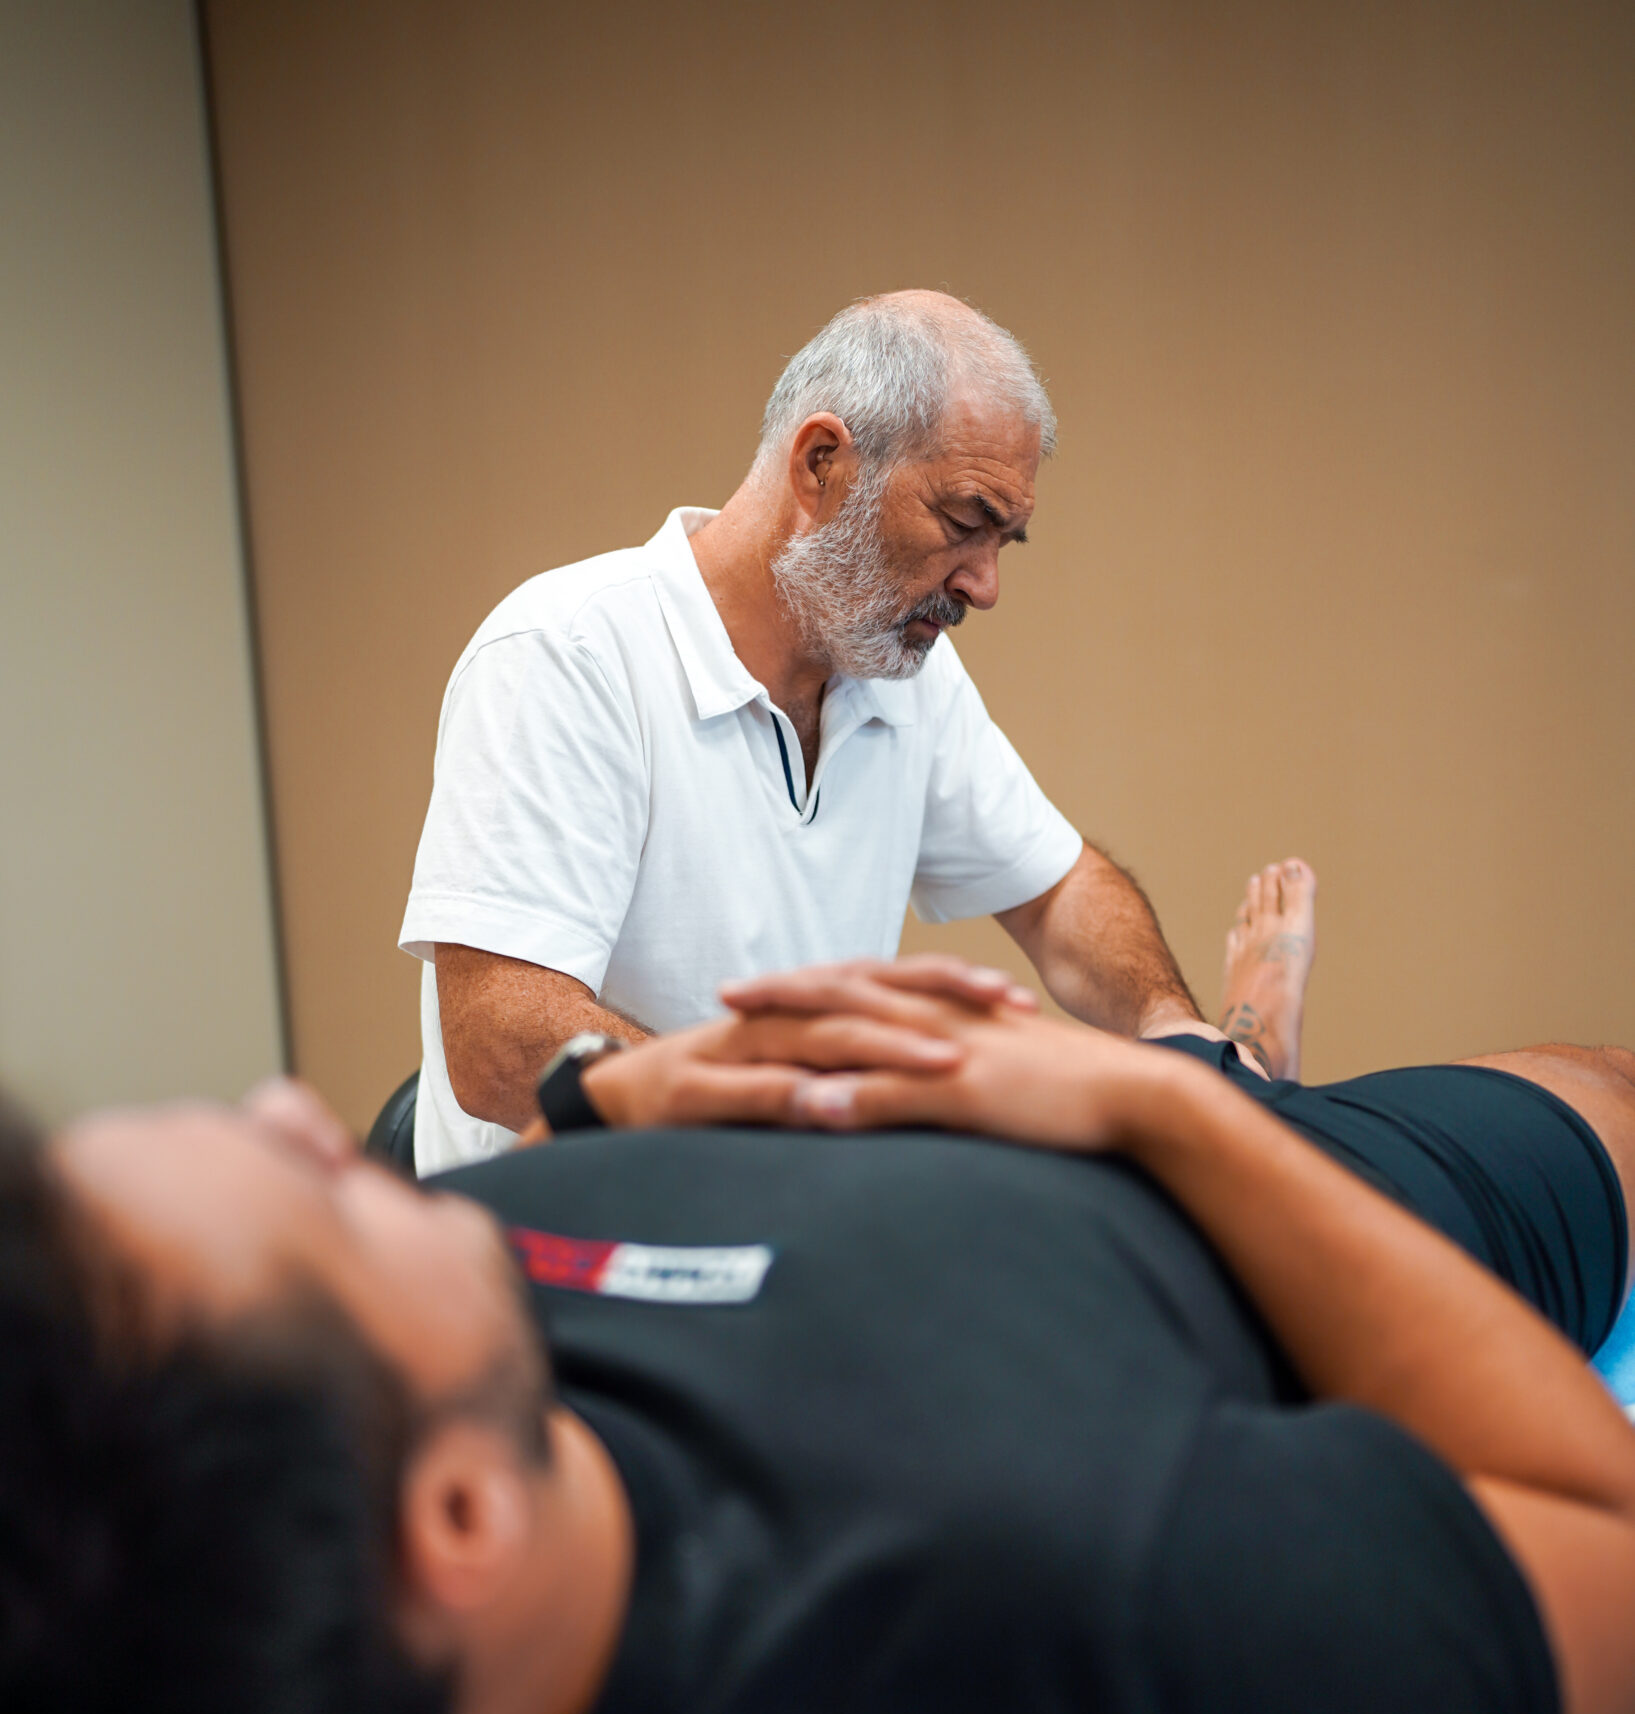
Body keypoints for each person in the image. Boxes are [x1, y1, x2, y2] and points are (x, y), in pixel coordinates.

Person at [0, 918, 1634, 1714]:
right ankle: (1235, 1055)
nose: (304, 1116)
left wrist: (619, 1100)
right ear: (453, 1522)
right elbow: (1590, 1518)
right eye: (323, 1202)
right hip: (1277, 1194)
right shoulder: (1122, 1635)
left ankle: (1228, 1035)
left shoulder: (367, 1432)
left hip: (926, 1119)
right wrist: (1164, 1111)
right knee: (1602, 1087)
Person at [400, 289, 1297, 1173]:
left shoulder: (900, 671)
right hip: (570, 1226)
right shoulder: (569, 651)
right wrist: (796, 1114)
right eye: (963, 523)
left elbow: (1055, 892)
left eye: (1003, 542)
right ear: (821, 464)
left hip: (798, 1201)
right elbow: (498, 1040)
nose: (984, 586)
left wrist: (1170, 1029)